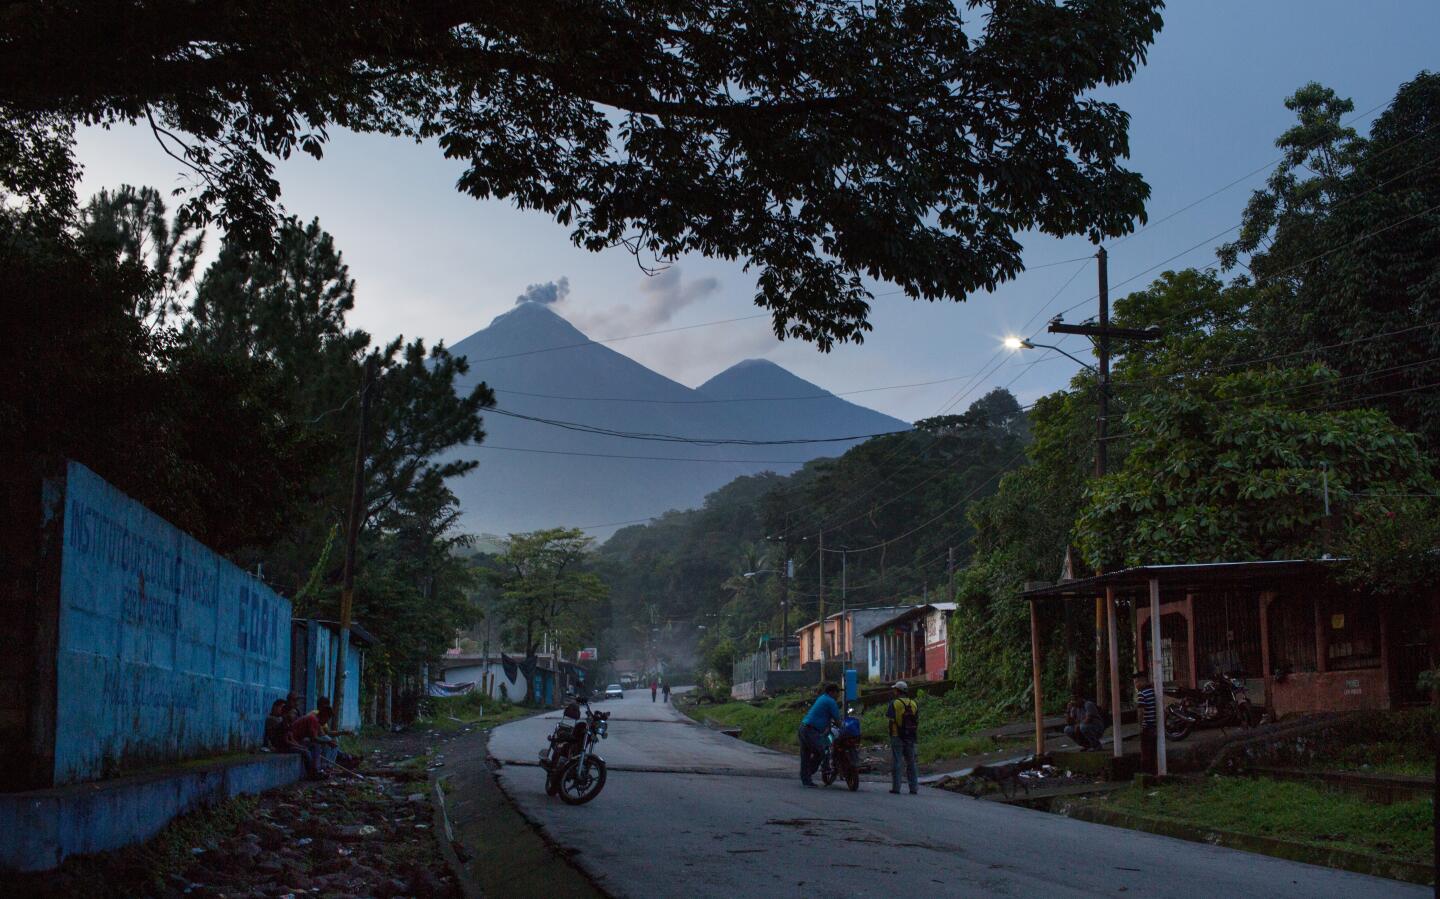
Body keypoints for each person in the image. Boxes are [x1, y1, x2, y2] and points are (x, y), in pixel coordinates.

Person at [797, 683, 842, 787]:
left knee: (805, 756)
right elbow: (837, 719)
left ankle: (805, 779)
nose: (838, 695)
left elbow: (825, 717)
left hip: (804, 728)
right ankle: (812, 772)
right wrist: (843, 729)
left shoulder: (822, 698)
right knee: (822, 751)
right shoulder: (831, 701)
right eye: (837, 693)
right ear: (832, 692)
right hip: (811, 731)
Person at [886, 680, 919, 795]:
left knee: (897, 762)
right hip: (910, 737)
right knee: (911, 762)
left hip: (897, 736)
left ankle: (896, 787)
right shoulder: (913, 703)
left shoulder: (895, 703)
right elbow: (916, 720)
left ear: (898, 691)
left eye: (895, 689)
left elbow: (891, 719)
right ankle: (913, 788)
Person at [289, 703, 337, 780]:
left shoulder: (316, 722)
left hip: (297, 741)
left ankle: (321, 768)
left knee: (317, 744)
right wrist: (327, 742)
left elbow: (321, 735)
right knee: (315, 745)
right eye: (328, 719)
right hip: (293, 741)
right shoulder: (313, 719)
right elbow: (314, 738)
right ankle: (315, 771)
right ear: (324, 715)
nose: (327, 722)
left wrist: (329, 741)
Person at [1134, 671, 1157, 775]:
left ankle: (1146, 772)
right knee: (1152, 749)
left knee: (1145, 750)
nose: (1136, 685)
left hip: (1147, 725)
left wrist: (1140, 726)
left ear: (1142, 681)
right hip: (1153, 724)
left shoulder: (1141, 694)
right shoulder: (1152, 691)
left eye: (1137, 682)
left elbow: (1141, 711)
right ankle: (1153, 769)